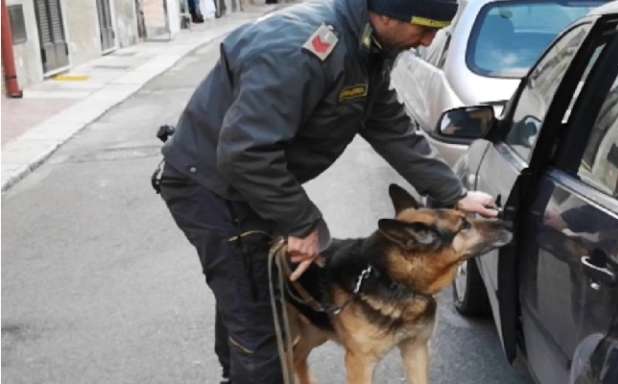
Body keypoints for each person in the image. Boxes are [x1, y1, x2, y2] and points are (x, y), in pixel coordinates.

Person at [154, 0, 499, 383]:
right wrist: (302, 224)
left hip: (251, 185)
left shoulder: (368, 46)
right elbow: (244, 151)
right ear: (386, 14)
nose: (428, 41)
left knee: (249, 301)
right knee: (260, 326)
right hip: (213, 189)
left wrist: (454, 193)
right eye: (423, 28)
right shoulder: (299, 52)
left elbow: (389, 124)